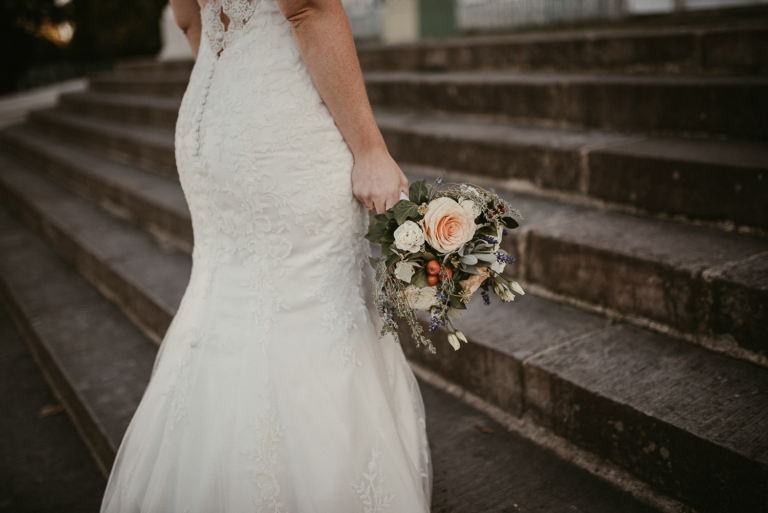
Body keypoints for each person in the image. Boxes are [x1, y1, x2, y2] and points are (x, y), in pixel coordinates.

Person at [99, 0, 432, 510]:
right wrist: (369, 148)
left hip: (211, 107)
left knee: (228, 300)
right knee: (307, 305)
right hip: (280, 114)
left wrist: (233, 81)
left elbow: (189, 18)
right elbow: (308, 8)